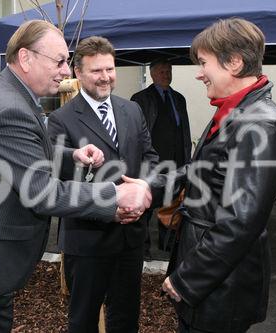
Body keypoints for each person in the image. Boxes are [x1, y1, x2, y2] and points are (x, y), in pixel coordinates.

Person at [0, 20, 152, 332]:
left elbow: (17, 156)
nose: (66, 71)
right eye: (58, 61)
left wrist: (70, 154)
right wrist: (114, 196)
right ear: (26, 58)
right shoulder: (9, 108)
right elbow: (42, 192)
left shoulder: (9, 95)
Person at [161, 18, 276, 332]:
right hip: (212, 281)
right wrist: (149, 186)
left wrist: (187, 280)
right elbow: (200, 169)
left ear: (233, 62)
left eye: (203, 63)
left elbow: (240, 221)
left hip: (220, 287)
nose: (198, 72)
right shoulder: (232, 111)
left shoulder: (259, 123)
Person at [47, 36, 159, 333]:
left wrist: (143, 191)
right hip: (86, 240)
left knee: (126, 318)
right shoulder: (60, 119)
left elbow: (150, 158)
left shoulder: (131, 110)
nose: (106, 77)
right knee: (83, 320)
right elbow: (52, 170)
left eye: (110, 69)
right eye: (96, 71)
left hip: (129, 239)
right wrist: (76, 158)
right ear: (78, 73)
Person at [131, 59, 192, 255]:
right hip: (151, 162)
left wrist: (186, 158)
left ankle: (167, 244)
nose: (167, 75)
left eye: (169, 71)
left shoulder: (179, 99)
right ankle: (143, 247)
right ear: (153, 74)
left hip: (175, 162)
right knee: (146, 204)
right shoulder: (140, 99)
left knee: (171, 203)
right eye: (162, 72)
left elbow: (184, 131)